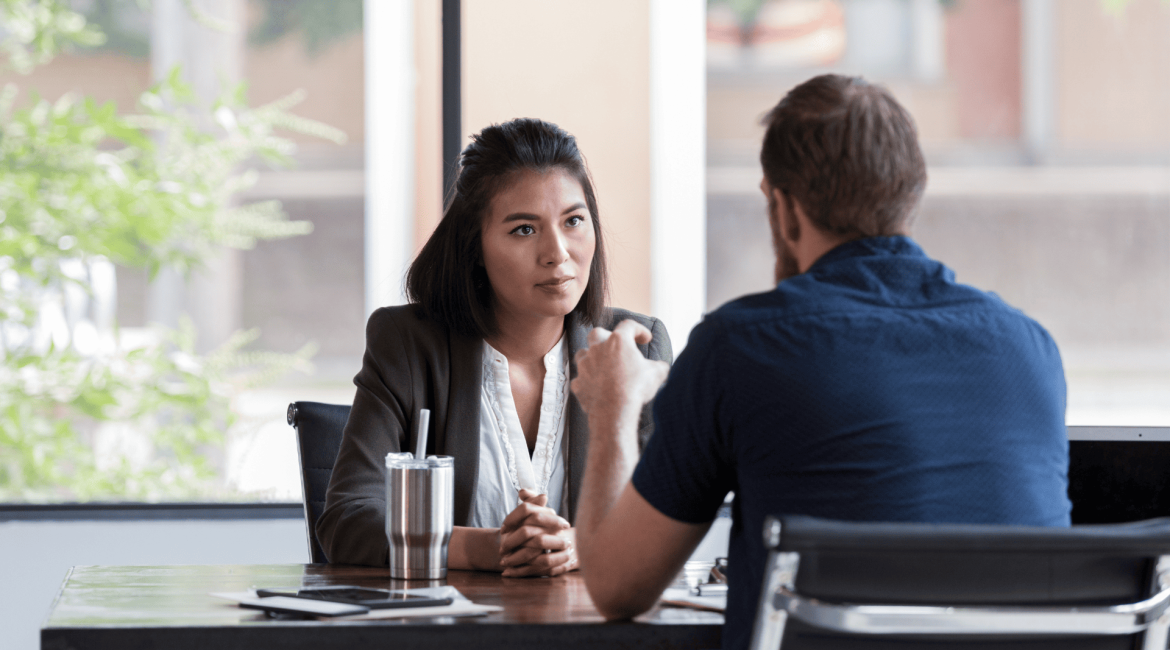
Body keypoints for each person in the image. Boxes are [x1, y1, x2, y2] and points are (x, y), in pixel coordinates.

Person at [570, 74, 1071, 649]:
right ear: (909, 199)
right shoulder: (1030, 350)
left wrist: (613, 406)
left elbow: (616, 586)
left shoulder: (741, 348)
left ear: (783, 209)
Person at [317, 118, 672, 576]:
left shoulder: (634, 347)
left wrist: (583, 545)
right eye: (524, 229)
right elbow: (347, 520)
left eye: (574, 221)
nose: (558, 252)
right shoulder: (406, 344)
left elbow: (667, 519)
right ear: (474, 247)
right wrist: (490, 549)